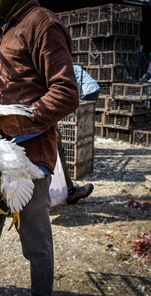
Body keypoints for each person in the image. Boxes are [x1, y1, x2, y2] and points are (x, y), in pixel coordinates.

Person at [0, 0, 79, 296]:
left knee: (35, 242)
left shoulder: (42, 24)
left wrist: (16, 119)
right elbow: (11, 94)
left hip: (28, 159)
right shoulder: (12, 25)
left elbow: (65, 93)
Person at [59, 65, 97, 204]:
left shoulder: (68, 68)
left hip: (89, 91)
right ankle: (69, 191)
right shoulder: (67, 67)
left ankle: (69, 191)